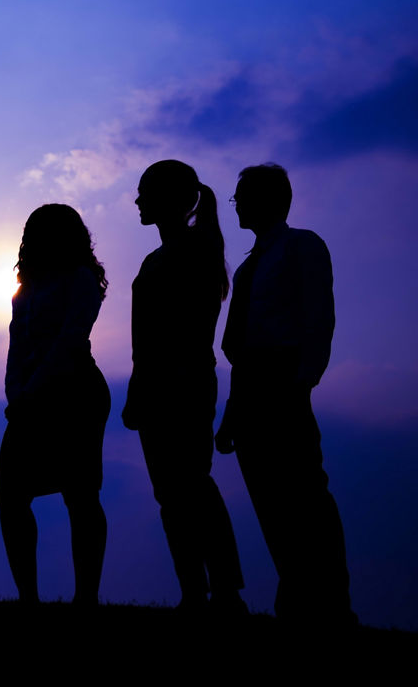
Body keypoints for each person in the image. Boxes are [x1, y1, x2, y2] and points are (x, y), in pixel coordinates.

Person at [215, 163, 355, 625]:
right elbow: (239, 349)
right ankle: (296, 598)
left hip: (283, 382)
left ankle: (332, 604)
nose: (237, 206)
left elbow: (318, 319)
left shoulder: (302, 247)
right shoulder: (251, 265)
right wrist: (233, 411)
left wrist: (301, 383)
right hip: (252, 385)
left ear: (270, 199)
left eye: (242, 196)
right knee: (269, 500)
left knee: (306, 497)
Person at [123, 160, 246, 614]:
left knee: (191, 486)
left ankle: (225, 591)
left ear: (170, 199)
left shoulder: (192, 252)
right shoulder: (164, 256)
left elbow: (180, 332)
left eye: (144, 192)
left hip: (184, 384)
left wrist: (153, 383)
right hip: (161, 386)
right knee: (172, 495)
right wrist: (140, 388)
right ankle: (195, 591)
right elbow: (146, 340)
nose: (137, 201)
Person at [0, 204, 109, 606]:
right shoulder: (23, 289)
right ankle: (28, 596)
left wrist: (31, 392)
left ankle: (86, 597)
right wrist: (15, 393)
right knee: (10, 493)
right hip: (28, 400)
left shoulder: (80, 279)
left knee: (80, 493)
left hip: (75, 392)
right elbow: (15, 346)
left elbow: (70, 339)